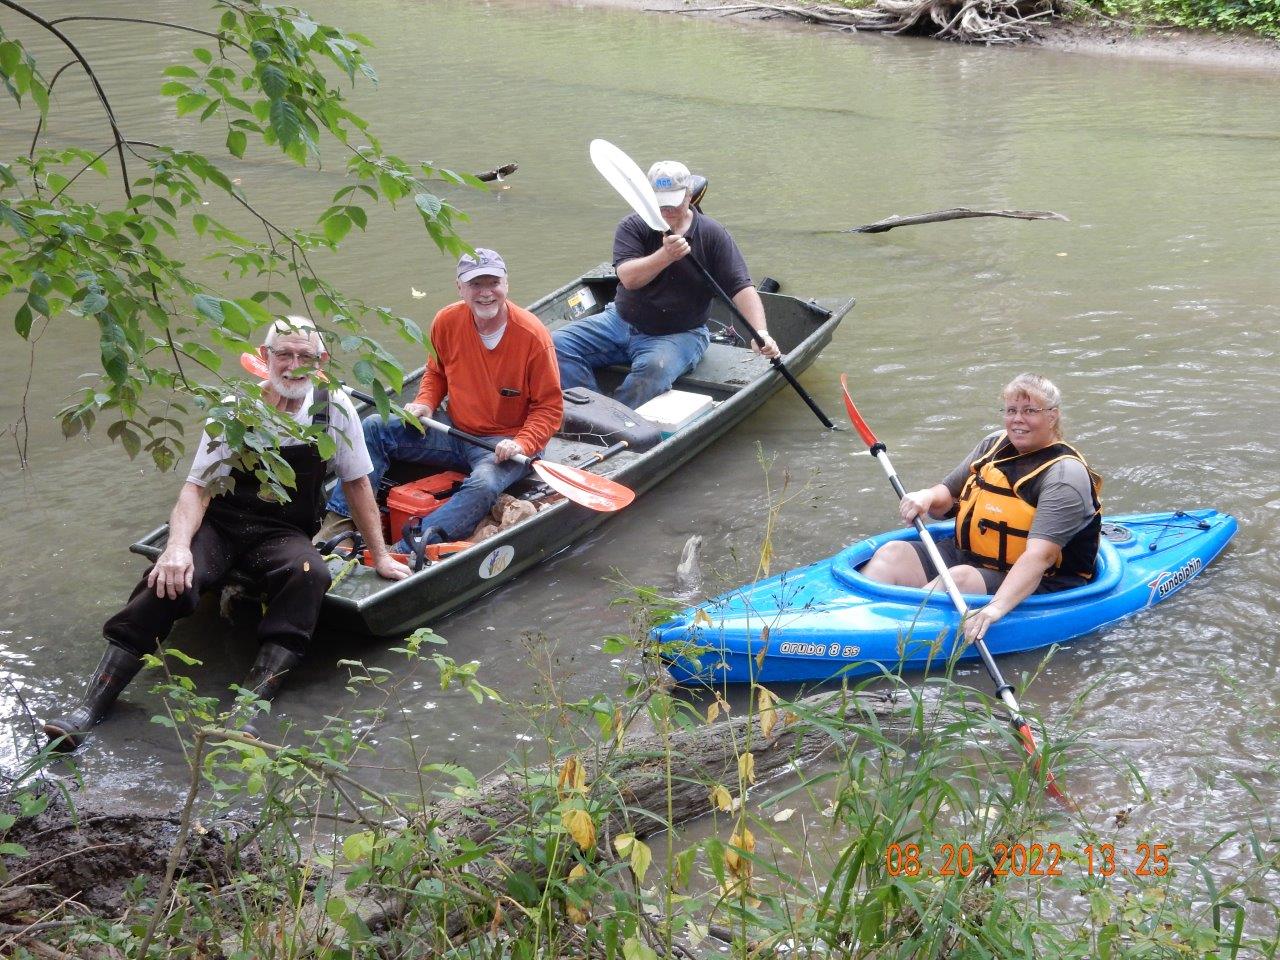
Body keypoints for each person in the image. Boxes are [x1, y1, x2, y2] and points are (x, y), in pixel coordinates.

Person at [44, 317, 410, 750]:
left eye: (305, 356)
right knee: (171, 581)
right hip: (222, 523)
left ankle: (248, 709)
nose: (293, 365)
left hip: (283, 531)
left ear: (321, 361)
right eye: (284, 354)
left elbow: (357, 484)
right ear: (264, 356)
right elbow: (196, 488)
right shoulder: (238, 408)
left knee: (310, 574)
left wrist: (382, 555)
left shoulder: (334, 408)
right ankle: (91, 705)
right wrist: (177, 547)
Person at [325, 248, 563, 548]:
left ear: (507, 284)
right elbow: (436, 373)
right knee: (373, 426)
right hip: (453, 430)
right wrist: (425, 401)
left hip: (504, 445)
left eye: (493, 283)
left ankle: (407, 548)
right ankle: (341, 524)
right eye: (476, 284)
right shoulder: (446, 321)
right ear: (460, 288)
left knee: (484, 483)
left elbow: (549, 408)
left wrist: (522, 443)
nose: (486, 293)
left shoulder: (533, 336)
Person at [861, 373, 1102, 643]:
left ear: (1052, 416)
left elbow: (1039, 557)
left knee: (958, 579)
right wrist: (926, 496)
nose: (1017, 419)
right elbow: (948, 493)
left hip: (1043, 580)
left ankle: (890, 640)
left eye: (1030, 411)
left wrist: (994, 610)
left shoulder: (1064, 477)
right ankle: (853, 622)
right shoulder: (994, 445)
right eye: (1011, 410)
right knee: (893, 554)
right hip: (972, 556)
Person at [552, 160, 779, 411]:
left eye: (674, 199)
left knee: (652, 370)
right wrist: (666, 255)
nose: (667, 207)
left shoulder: (713, 234)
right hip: (621, 320)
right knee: (556, 344)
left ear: (689, 195)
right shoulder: (632, 226)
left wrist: (761, 333)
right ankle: (590, 410)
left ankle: (619, 420)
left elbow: (741, 287)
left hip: (680, 333)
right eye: (660, 201)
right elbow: (628, 277)